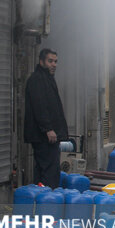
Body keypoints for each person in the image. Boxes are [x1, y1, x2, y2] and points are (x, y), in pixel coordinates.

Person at [24, 48, 68, 189]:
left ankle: (43, 202)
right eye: (50, 61)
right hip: (43, 137)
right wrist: (48, 129)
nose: (54, 64)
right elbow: (39, 107)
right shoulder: (37, 80)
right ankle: (48, 203)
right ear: (41, 61)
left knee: (47, 170)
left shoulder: (47, 79)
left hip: (48, 136)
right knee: (49, 172)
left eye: (55, 61)